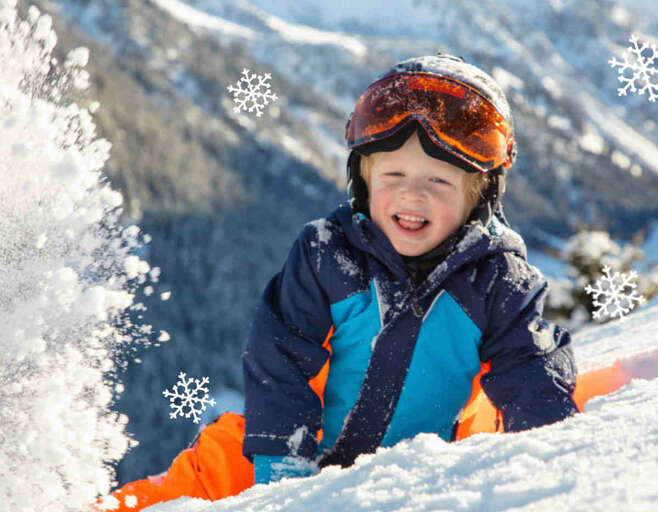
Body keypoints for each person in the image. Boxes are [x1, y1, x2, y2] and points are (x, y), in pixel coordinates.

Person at [96, 52, 579, 511]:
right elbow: (281, 360)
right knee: (168, 496)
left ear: (478, 197)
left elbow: (530, 373)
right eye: (393, 174)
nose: (412, 195)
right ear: (363, 182)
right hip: (273, 455)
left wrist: (545, 466)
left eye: (439, 182)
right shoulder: (328, 255)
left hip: (410, 476)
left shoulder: (498, 282)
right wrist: (284, 476)